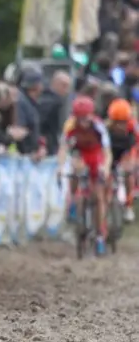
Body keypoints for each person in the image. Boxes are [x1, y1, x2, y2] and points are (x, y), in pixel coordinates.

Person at [57, 96, 112, 255]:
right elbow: (63, 149)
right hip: (80, 153)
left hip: (96, 154)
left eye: (86, 117)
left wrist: (105, 168)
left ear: (91, 115)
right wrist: (60, 167)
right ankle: (74, 200)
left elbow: (107, 152)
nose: (83, 122)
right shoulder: (70, 125)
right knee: (75, 168)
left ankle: (100, 234)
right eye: (79, 118)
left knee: (98, 196)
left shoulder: (99, 126)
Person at [105, 98, 137, 222]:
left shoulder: (133, 127)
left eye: (124, 122)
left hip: (126, 152)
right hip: (110, 153)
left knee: (129, 174)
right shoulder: (105, 128)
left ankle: (128, 206)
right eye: (117, 122)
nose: (121, 126)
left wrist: (132, 161)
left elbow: (136, 145)